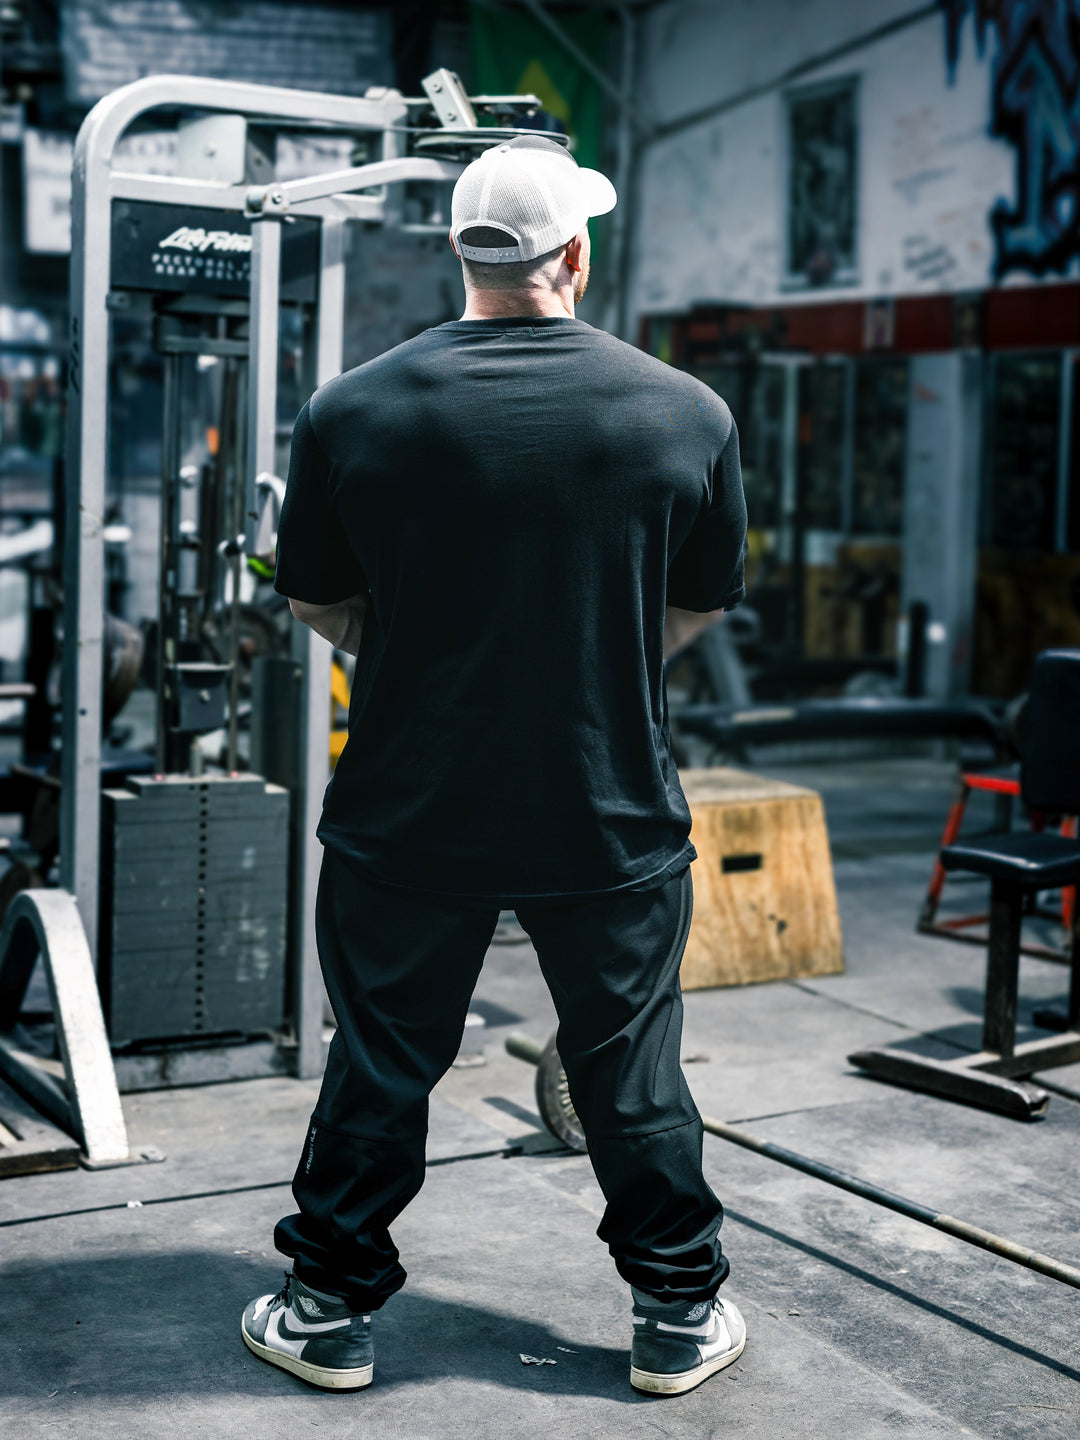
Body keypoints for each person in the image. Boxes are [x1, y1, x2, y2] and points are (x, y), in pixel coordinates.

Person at [241, 135, 748, 1398]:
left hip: (409, 809)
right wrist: (593, 651)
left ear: (459, 253)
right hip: (609, 807)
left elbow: (311, 594)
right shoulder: (684, 412)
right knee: (628, 1068)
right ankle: (677, 1316)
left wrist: (415, 640)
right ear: (576, 255)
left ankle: (327, 1312)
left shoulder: (352, 408)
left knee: (381, 1061)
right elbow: (694, 608)